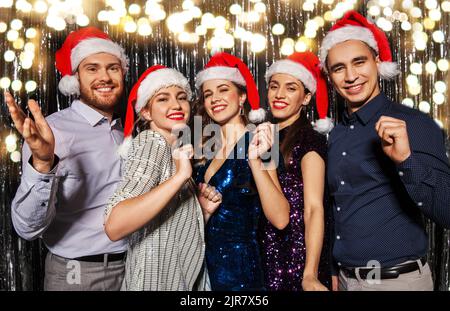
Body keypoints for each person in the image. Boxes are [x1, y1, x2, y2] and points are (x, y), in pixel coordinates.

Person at [319, 10, 450, 291]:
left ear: (377, 62)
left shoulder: (413, 123)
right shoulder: (336, 133)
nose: (351, 76)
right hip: (344, 281)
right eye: (339, 68)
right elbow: (336, 208)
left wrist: (406, 160)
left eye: (359, 62)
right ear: (329, 76)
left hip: (396, 281)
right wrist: (331, 270)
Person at [5, 27, 129, 290]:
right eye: (92, 69)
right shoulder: (53, 132)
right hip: (77, 274)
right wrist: (41, 164)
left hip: (133, 267)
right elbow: (26, 228)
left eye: (113, 68)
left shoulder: (126, 130)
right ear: (76, 79)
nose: (104, 77)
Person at [104, 65, 214, 291]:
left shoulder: (175, 150)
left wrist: (201, 212)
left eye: (182, 97)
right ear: (145, 112)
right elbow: (115, 224)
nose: (176, 105)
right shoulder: (152, 142)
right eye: (163, 99)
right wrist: (181, 176)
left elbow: (165, 229)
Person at [194, 52, 290, 290]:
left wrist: (255, 162)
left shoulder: (260, 142)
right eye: (208, 94)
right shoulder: (204, 149)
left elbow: (280, 219)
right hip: (200, 269)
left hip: (239, 273)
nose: (215, 98)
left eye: (223, 89)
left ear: (242, 97)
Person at [261, 51, 332, 291]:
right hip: (262, 254)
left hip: (295, 256)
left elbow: (314, 208)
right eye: (274, 86)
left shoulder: (309, 140)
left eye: (291, 88)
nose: (279, 95)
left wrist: (310, 273)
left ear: (306, 97)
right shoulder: (263, 136)